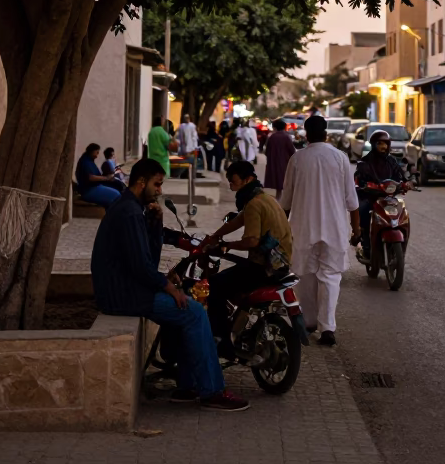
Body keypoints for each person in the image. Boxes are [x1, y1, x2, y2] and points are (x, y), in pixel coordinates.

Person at [90, 156, 247, 411]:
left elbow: (148, 257)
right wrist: (168, 286)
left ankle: (187, 386)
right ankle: (212, 392)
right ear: (141, 182)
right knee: (194, 312)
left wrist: (157, 221)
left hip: (129, 289)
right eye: (157, 184)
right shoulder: (128, 212)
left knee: (186, 306)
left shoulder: (132, 208)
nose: (160, 191)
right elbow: (141, 266)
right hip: (124, 295)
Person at [200, 160, 294, 359]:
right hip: (280, 265)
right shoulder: (265, 199)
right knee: (235, 272)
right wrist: (215, 236)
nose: (232, 187)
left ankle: (221, 342)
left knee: (214, 286)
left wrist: (227, 245)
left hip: (264, 269)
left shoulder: (253, 204)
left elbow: (251, 240)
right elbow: (237, 221)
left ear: (247, 179)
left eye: (234, 182)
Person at [280, 115, 360, 347]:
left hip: (304, 228)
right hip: (334, 228)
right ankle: (327, 328)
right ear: (326, 133)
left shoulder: (297, 159)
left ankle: (309, 321)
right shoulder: (340, 158)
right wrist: (357, 230)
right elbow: (351, 200)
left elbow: (285, 202)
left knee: (304, 275)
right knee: (330, 277)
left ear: (305, 133)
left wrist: (281, 231)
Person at [354, 129, 407, 259]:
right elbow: (358, 179)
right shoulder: (364, 162)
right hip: (370, 197)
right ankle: (364, 241)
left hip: (388, 198)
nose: (383, 147)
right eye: (380, 143)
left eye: (386, 144)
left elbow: (402, 175)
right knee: (364, 209)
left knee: (402, 211)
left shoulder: (392, 161)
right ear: (373, 144)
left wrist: (408, 182)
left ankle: (400, 238)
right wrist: (364, 185)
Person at [75, 144, 122, 208]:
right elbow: (91, 178)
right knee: (117, 195)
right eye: (96, 152)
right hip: (89, 190)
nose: (97, 155)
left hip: (94, 187)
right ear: (92, 151)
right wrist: (106, 178)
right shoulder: (85, 161)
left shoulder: (89, 160)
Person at [263, 119, 296, 199]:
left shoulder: (272, 137)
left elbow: (267, 151)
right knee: (283, 180)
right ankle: (281, 198)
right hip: (284, 162)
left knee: (276, 180)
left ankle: (278, 197)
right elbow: (292, 150)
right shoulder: (286, 137)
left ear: (274, 127)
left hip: (273, 162)